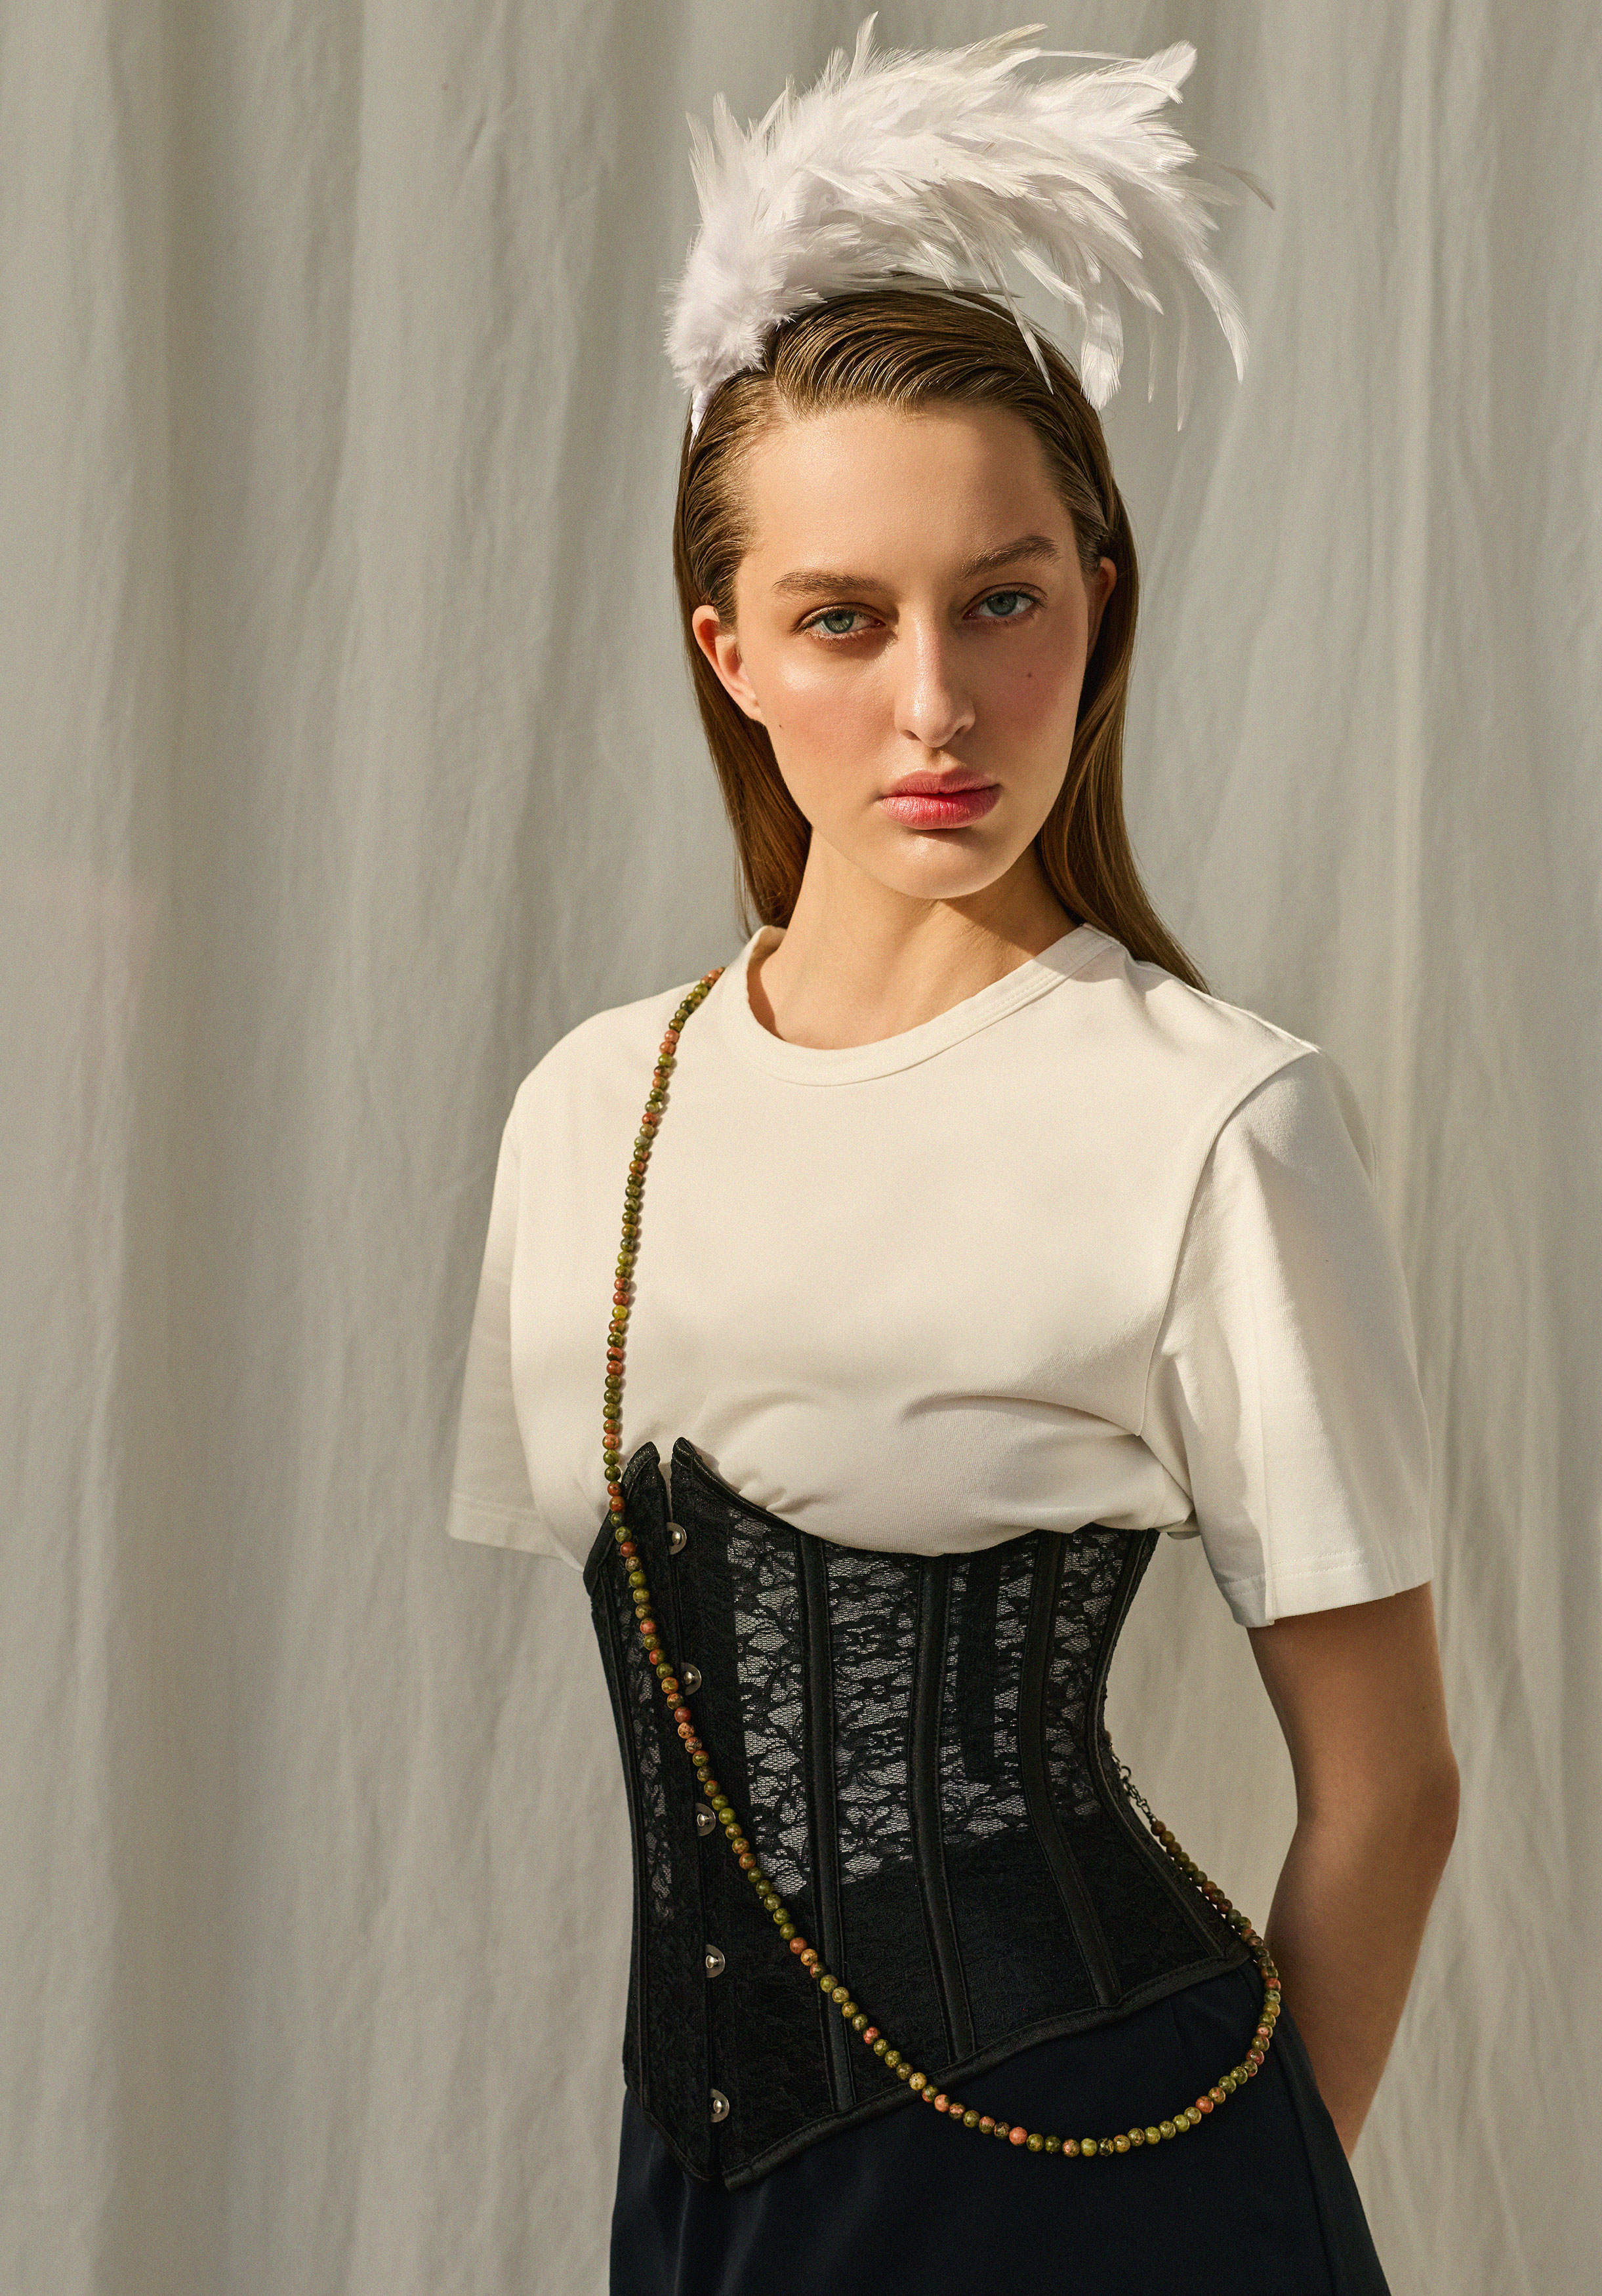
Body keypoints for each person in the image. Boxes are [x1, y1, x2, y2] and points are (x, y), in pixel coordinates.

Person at [446, 24, 1459, 2292]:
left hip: (1110, 2188)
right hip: (705, 2198)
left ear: (1098, 600)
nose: (935, 704)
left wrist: (1233, 2221)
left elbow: (1393, 1789)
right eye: (845, 617)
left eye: (1003, 599)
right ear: (729, 652)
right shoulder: (591, 1108)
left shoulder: (1213, 1115)